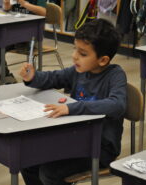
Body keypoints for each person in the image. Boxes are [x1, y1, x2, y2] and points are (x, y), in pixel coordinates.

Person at [19, 19, 127, 185]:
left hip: (100, 147)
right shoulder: (80, 70)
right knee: (28, 162)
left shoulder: (115, 75)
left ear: (103, 60)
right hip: (75, 139)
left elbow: (117, 105)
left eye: (83, 54)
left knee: (50, 173)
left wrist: (71, 108)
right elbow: (54, 77)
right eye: (75, 49)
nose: (75, 56)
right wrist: (33, 77)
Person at [0, 0, 47, 84]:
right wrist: (6, 6)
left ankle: (32, 79)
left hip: (32, 36)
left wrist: (24, 4)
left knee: (22, 47)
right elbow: (7, 9)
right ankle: (7, 78)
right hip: (14, 34)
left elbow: (43, 12)